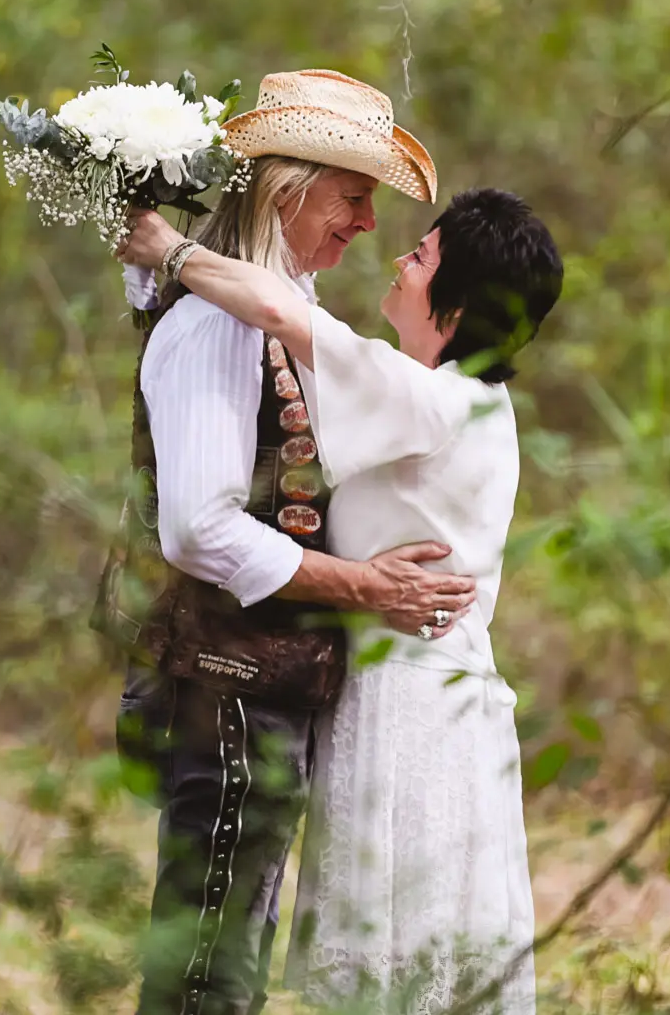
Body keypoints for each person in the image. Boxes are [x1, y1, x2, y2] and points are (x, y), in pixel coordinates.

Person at [115, 187, 565, 1014]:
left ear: (456, 308)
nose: (398, 257)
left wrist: (167, 249)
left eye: (421, 257)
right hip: (394, 686)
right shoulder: (436, 397)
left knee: (405, 954)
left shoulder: (437, 401)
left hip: (415, 706)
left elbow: (281, 311)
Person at [99, 69, 475, 1015]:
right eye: (352, 196)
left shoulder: (270, 306)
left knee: (231, 955)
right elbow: (199, 527)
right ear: (288, 185)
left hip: (259, 683)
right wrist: (364, 584)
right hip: (225, 684)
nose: (363, 224)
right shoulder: (217, 329)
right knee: (207, 967)